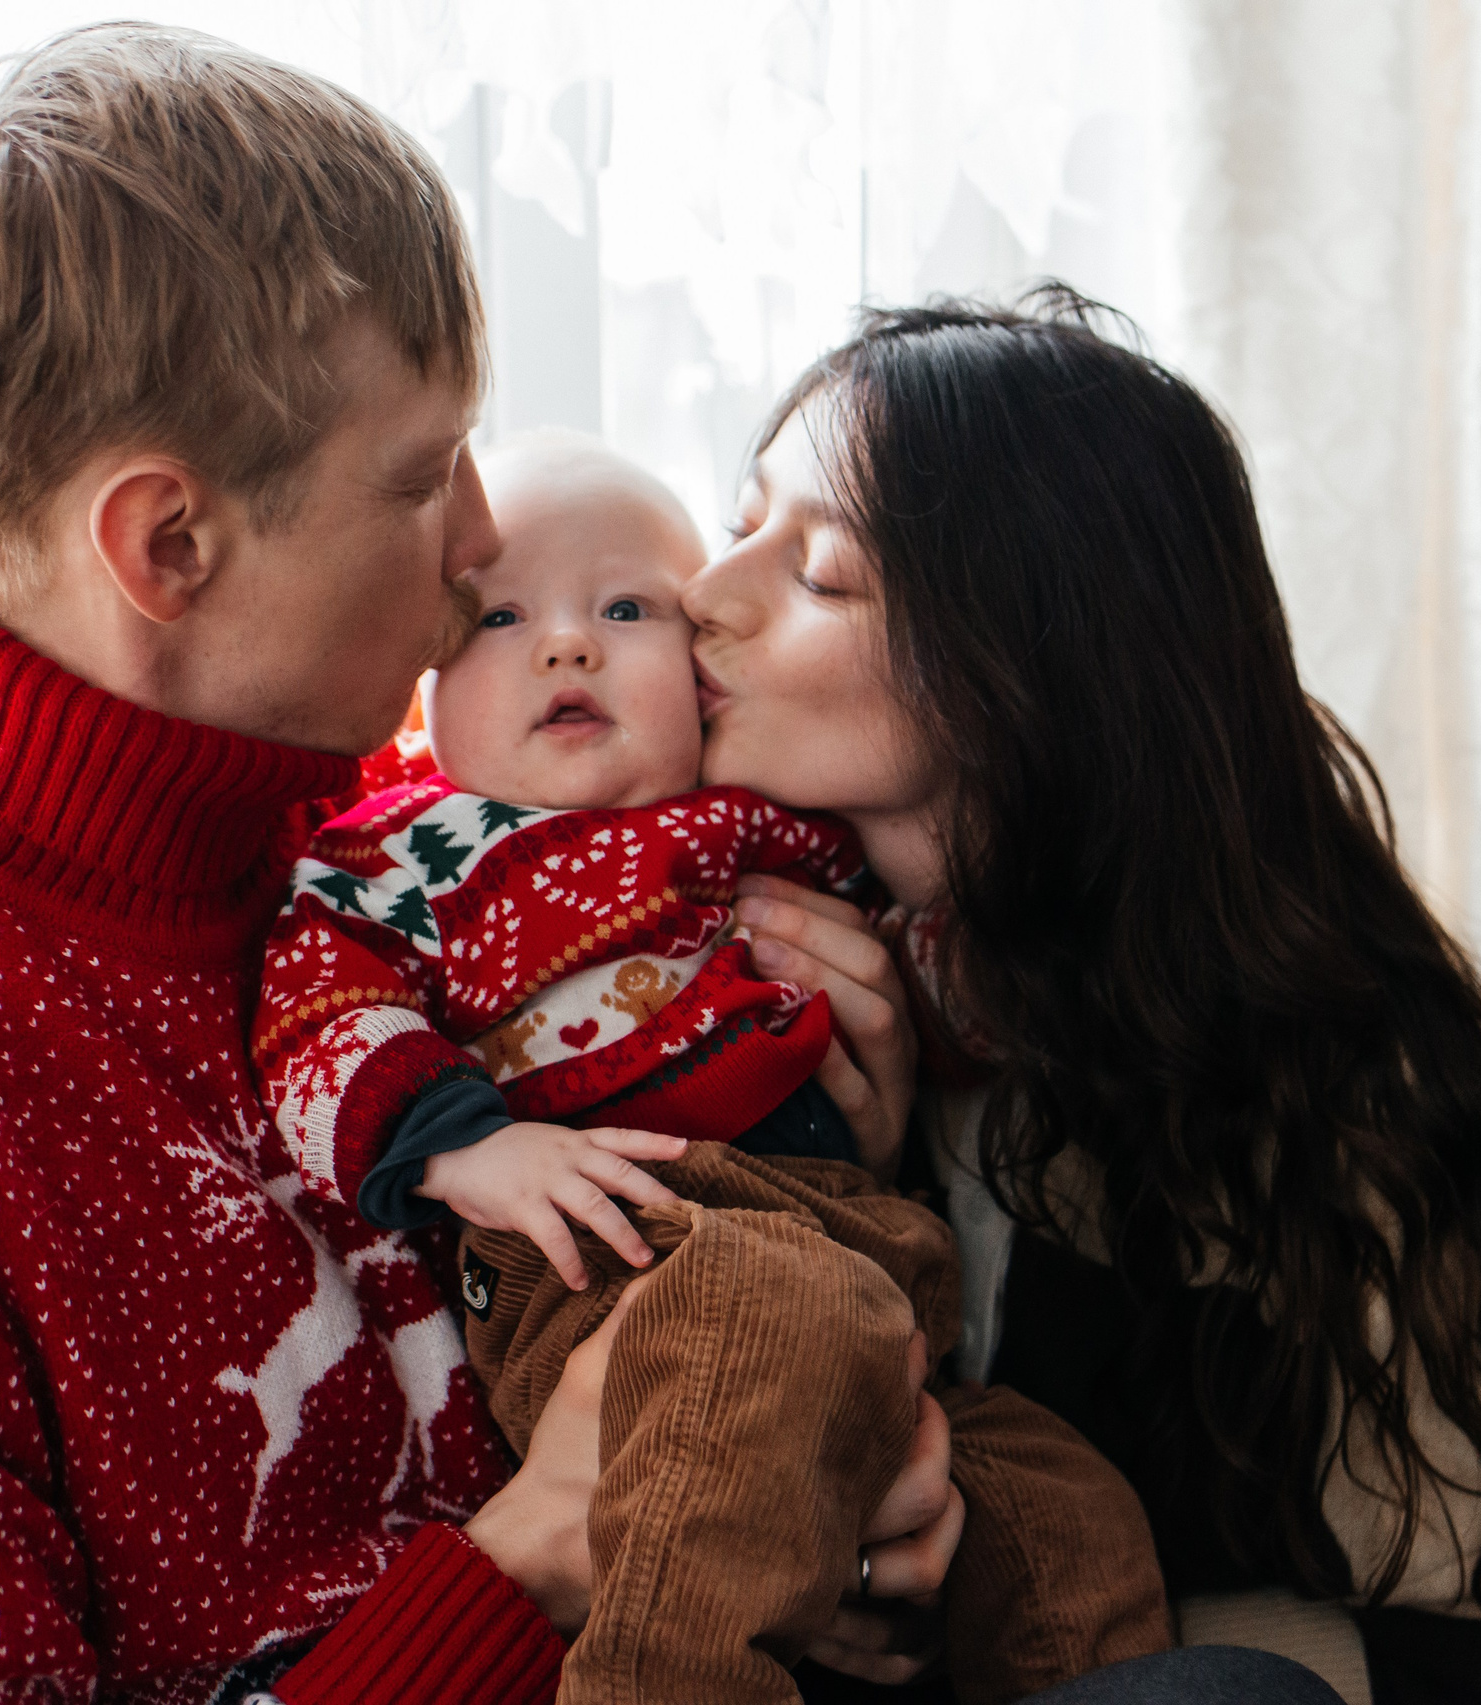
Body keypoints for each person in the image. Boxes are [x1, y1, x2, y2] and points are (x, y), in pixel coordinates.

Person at [0, 27, 972, 1705]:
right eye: (425, 476)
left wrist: (825, 1182)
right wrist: (540, 1567)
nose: (489, 542)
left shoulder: (435, 830)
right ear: (169, 545)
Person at [693, 288, 1481, 1705]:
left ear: (1029, 664)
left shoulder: (1335, 1086)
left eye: (819, 574)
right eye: (738, 519)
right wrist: (854, 1190)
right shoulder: (738, 950)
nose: (702, 592)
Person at [254, 435, 1172, 1701]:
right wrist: (467, 1144)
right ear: (423, 697)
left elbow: (938, 982)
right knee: (763, 1327)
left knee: (1064, 1501)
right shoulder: (403, 850)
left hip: (856, 1273)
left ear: (700, 675)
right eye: (503, 615)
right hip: (613, 1254)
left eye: (626, 609)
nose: (567, 645)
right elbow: (318, 1017)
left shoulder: (767, 827)